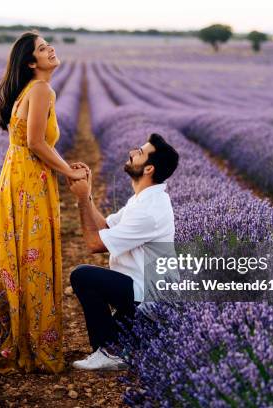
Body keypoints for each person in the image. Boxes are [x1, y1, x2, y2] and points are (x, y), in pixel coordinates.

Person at [0, 30, 88, 374]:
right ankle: (34, 350)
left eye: (49, 45)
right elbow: (35, 142)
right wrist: (68, 174)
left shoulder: (28, 91)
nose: (51, 50)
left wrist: (64, 165)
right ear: (31, 62)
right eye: (43, 49)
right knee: (35, 263)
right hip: (29, 185)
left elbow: (36, 143)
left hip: (15, 181)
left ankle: (18, 343)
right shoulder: (42, 89)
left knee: (17, 261)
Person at [67, 133, 179, 370]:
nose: (132, 152)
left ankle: (110, 352)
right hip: (139, 293)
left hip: (149, 304)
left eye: (139, 152)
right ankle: (130, 344)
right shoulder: (143, 200)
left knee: (83, 276)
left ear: (148, 169)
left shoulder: (149, 210)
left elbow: (94, 244)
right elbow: (106, 227)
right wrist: (86, 194)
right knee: (134, 342)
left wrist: (82, 201)